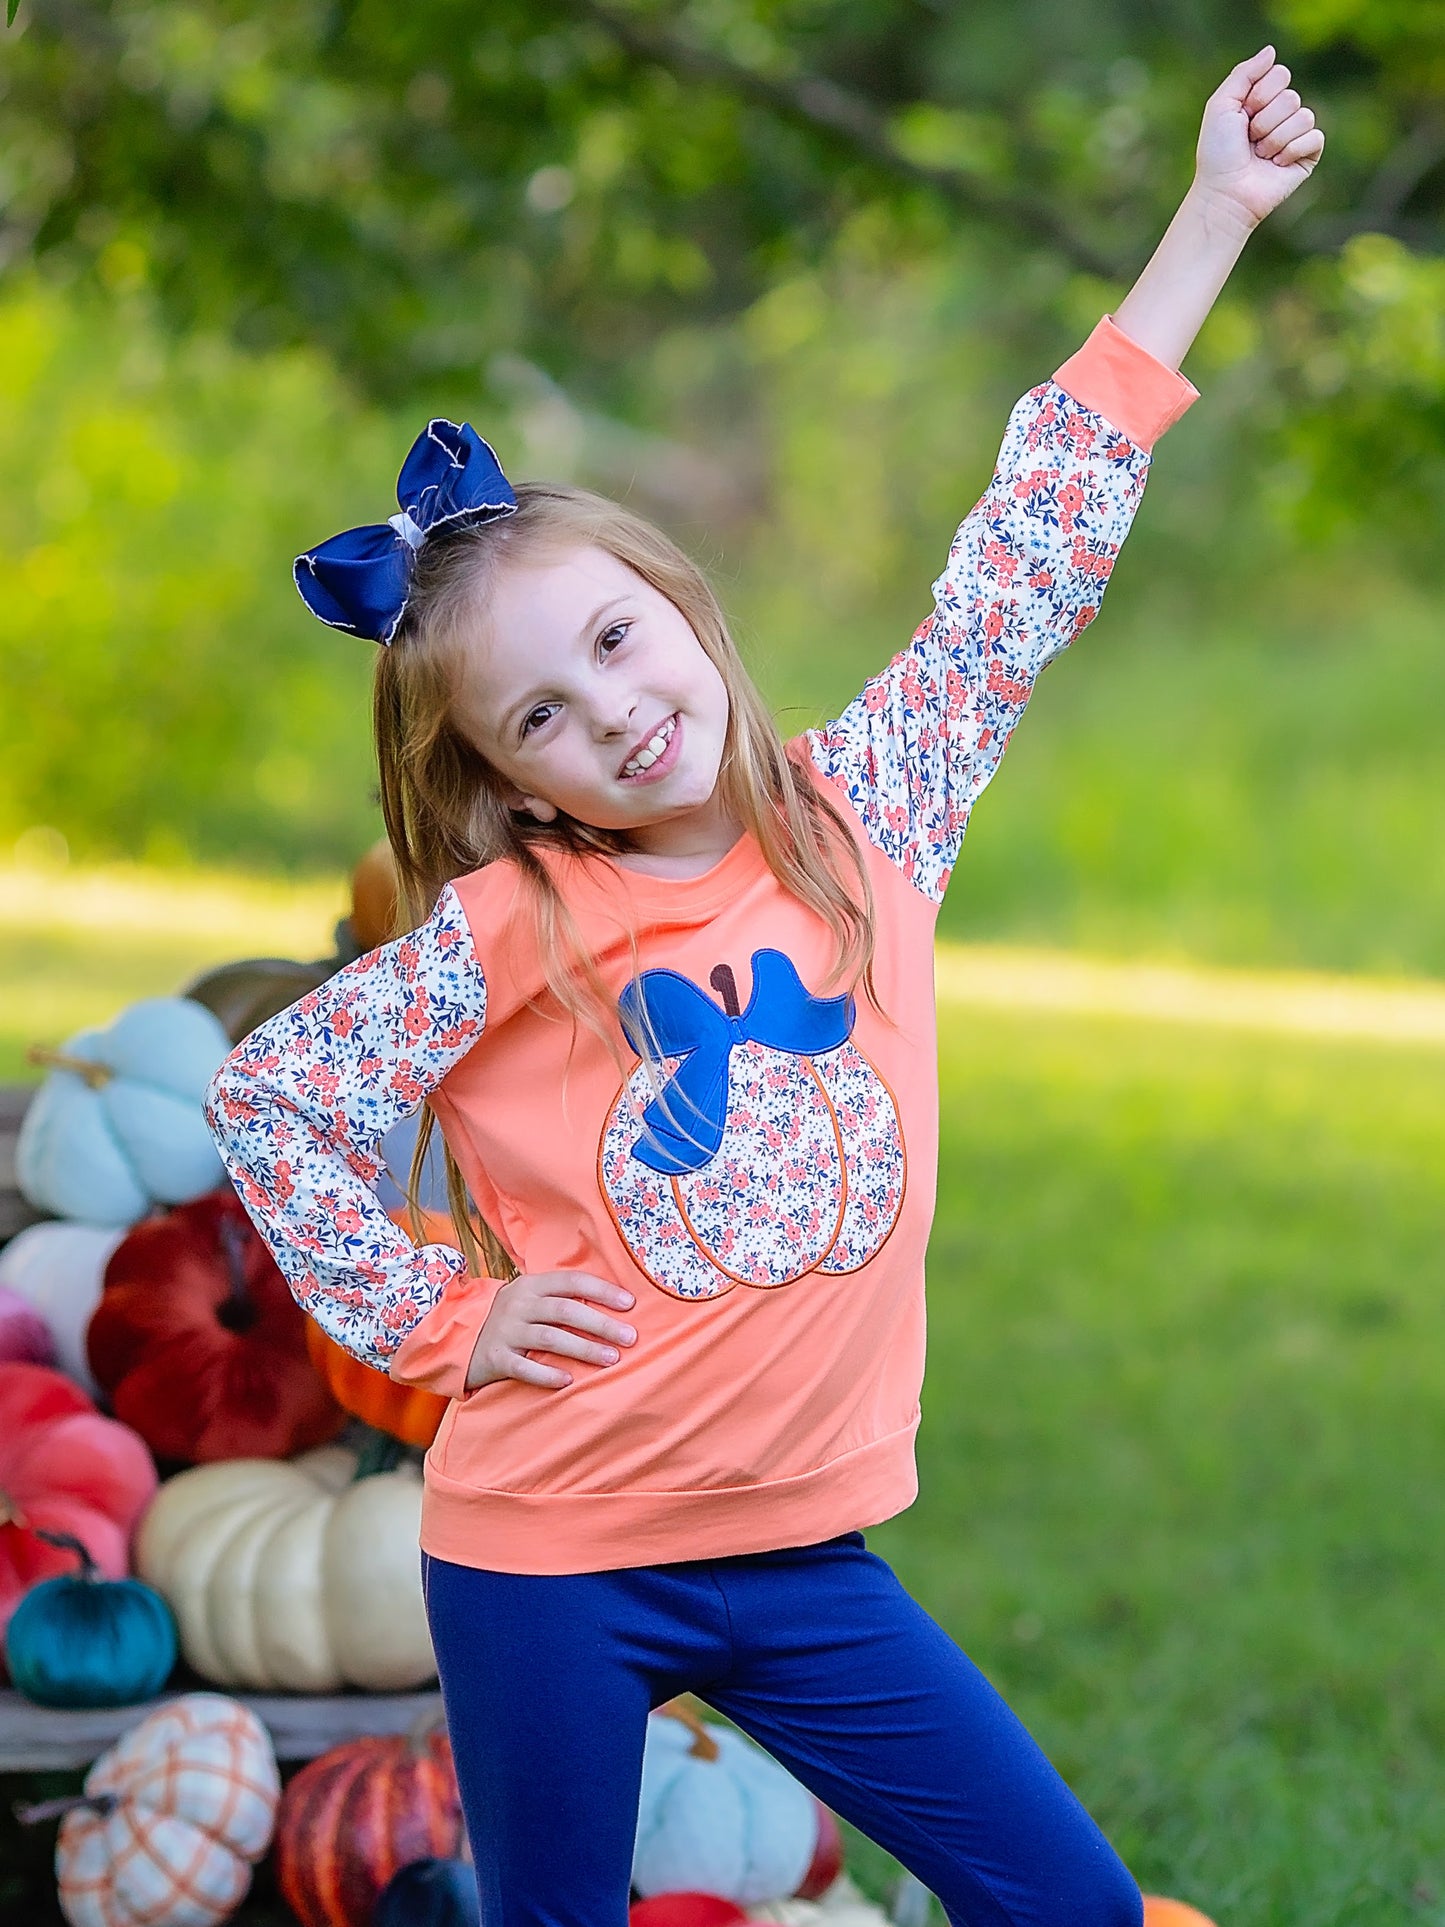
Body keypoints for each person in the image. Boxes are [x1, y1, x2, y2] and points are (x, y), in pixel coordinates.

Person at [207, 47, 1323, 1927]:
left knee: (1062, 1906)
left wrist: (1209, 213)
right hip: (546, 1554)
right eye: (542, 712)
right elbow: (273, 1097)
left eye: (619, 640)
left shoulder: (865, 807)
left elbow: (1030, 540)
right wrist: (438, 1318)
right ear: (509, 782)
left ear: (682, 603)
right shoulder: (512, 923)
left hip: (805, 1559)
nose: (616, 710)